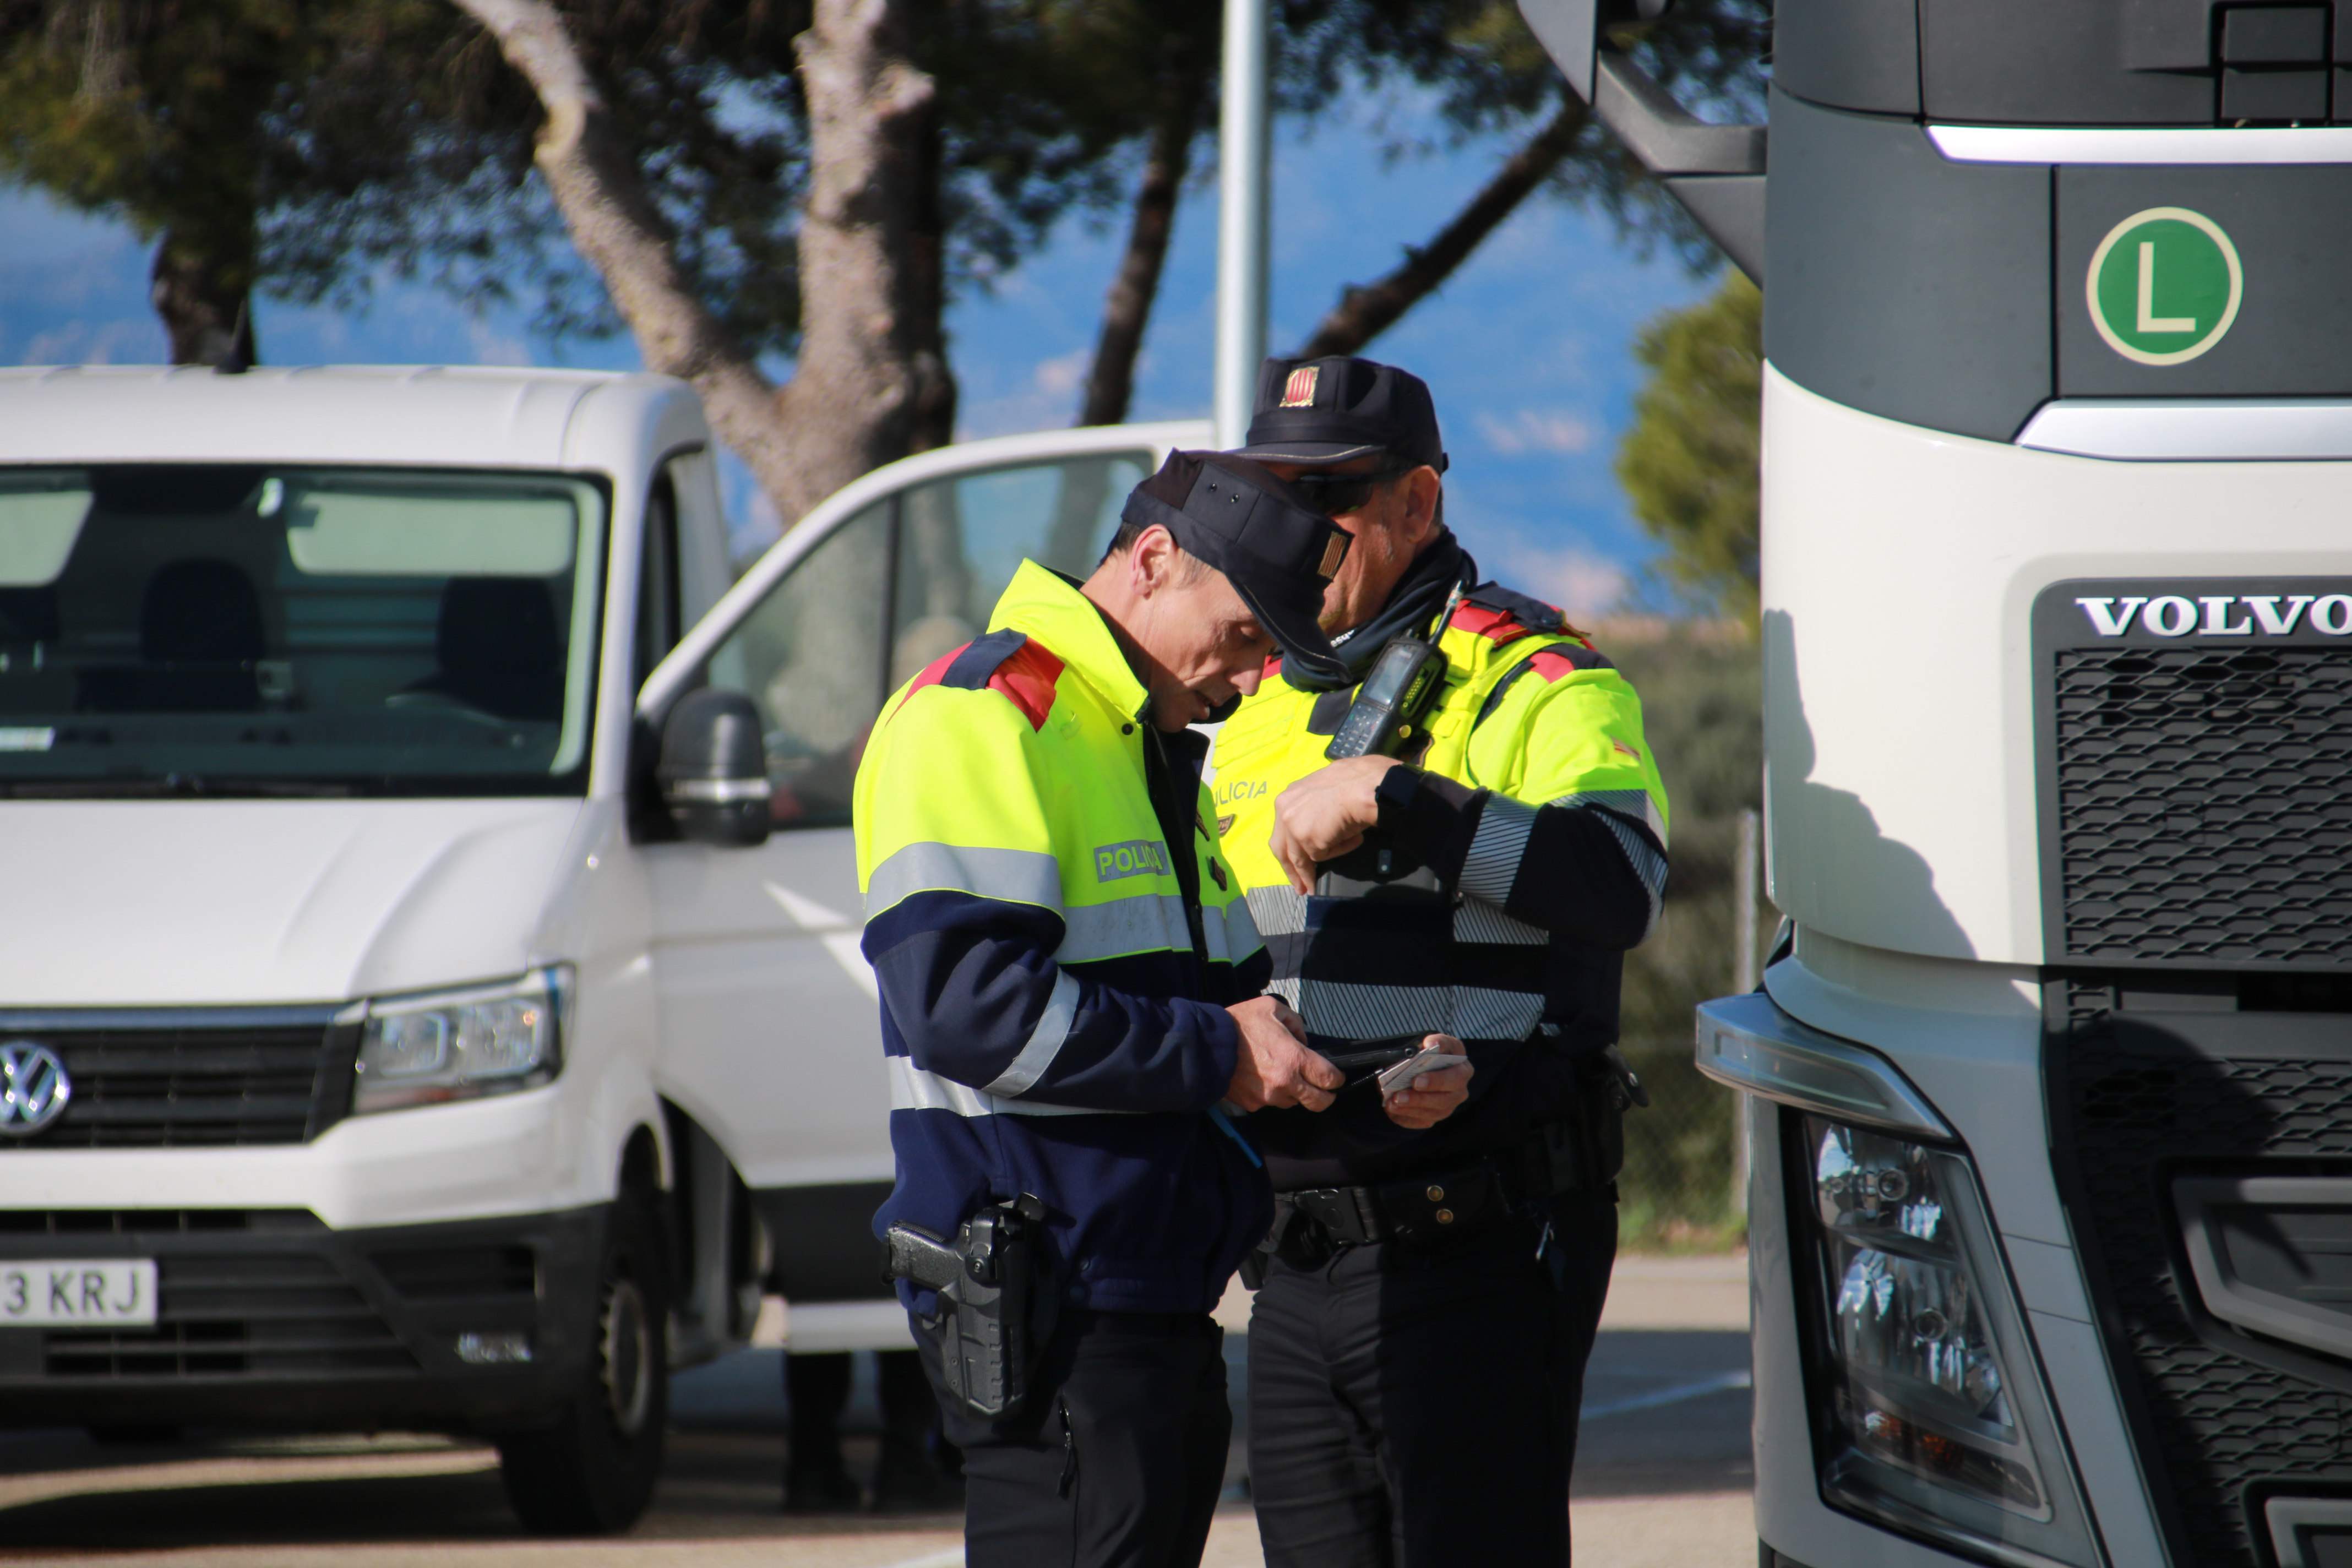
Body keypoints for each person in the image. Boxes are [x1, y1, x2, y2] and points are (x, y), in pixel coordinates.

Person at [851, 451, 1462, 1567]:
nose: (1248, 681)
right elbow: (966, 1007)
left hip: (1146, 1303)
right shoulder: (986, 713)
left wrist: (1372, 1083)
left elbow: (1242, 1027)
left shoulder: (1143, 745)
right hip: (1056, 1297)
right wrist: (1218, 1050)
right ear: (1150, 561)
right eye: (1240, 639)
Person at [1211, 356, 1670, 1567]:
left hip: (1479, 1246)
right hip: (1295, 1262)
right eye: (1272, 492)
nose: (1295, 526)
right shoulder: (1247, 701)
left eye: (1331, 494)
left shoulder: (1532, 672)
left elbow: (1620, 883)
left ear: (1418, 501)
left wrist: (1404, 798)